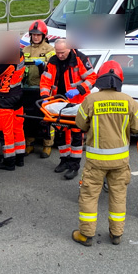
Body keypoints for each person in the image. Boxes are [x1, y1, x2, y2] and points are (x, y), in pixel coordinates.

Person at [72, 61, 138, 247]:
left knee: (89, 196)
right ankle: (116, 234)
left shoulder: (90, 100)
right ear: (119, 80)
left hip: (96, 160)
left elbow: (80, 124)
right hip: (120, 161)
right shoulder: (128, 100)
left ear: (100, 80)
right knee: (118, 196)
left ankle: (86, 235)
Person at [40, 39, 97, 179]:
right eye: (57, 52)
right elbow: (45, 81)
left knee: (76, 136)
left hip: (77, 104)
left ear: (69, 49)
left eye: (62, 53)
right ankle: (64, 160)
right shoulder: (53, 61)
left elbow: (92, 78)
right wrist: (45, 98)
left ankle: (74, 165)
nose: (60, 55)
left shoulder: (80, 59)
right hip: (59, 103)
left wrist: (79, 90)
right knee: (60, 133)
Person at [0, 50, 26, 171]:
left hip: (5, 97)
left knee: (6, 131)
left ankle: (9, 162)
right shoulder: (20, 53)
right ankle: (20, 158)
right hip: (18, 94)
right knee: (18, 128)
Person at [22, 20, 56, 158]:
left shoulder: (50, 50)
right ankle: (29, 144)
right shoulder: (25, 50)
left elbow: (53, 67)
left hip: (44, 90)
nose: (36, 37)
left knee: (46, 119)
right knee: (29, 118)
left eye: (38, 35)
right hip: (28, 88)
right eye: (33, 35)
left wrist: (43, 64)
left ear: (44, 35)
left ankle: (47, 145)